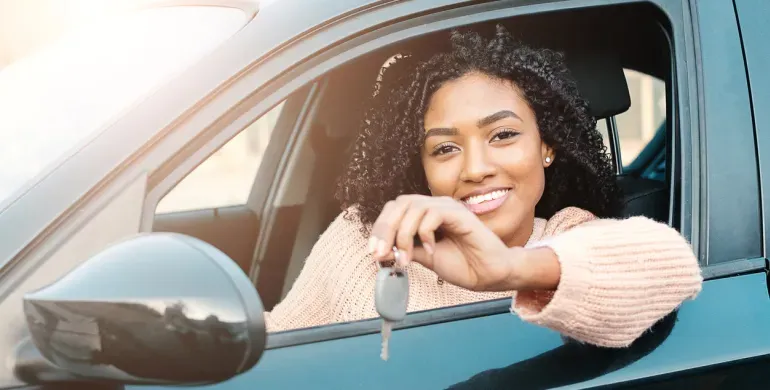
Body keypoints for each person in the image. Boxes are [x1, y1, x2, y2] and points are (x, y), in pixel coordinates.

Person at [265, 25, 702, 348]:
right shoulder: (366, 238)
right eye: (445, 148)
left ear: (547, 146)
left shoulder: (565, 236)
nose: (475, 168)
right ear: (421, 165)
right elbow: (275, 347)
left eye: (503, 135)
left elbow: (673, 266)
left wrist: (510, 269)